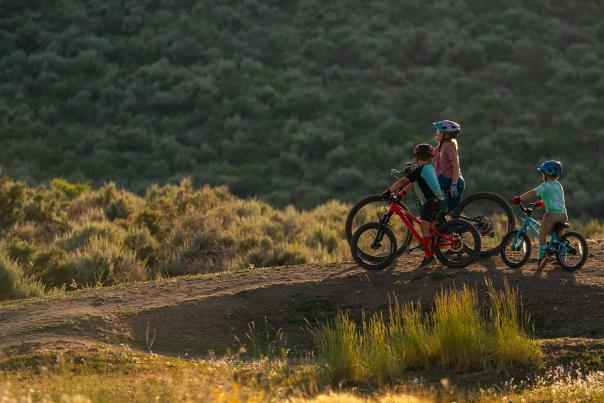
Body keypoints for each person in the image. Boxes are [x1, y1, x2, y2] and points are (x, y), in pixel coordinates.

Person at [383, 144, 445, 269]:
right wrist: (401, 193)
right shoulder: (429, 168)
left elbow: (402, 181)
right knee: (431, 229)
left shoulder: (419, 170)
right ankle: (433, 251)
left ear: (416, 158)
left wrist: (388, 191)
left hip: (430, 203)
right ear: (430, 158)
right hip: (439, 201)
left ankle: (429, 257)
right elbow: (413, 184)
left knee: (424, 228)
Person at [511, 160, 567, 269]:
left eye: (543, 174)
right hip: (563, 214)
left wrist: (520, 198)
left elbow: (533, 192)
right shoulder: (559, 185)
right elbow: (554, 198)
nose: (542, 176)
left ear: (546, 174)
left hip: (552, 215)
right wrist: (541, 202)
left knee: (542, 232)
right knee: (559, 237)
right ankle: (562, 259)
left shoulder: (545, 185)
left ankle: (542, 257)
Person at [433, 120, 464, 214]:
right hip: (445, 179)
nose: (436, 133)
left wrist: (454, 184)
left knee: (429, 187)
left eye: (438, 131)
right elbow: (430, 154)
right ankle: (441, 221)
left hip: (453, 180)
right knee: (448, 211)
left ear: (445, 135)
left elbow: (456, 166)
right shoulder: (441, 145)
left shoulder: (449, 146)